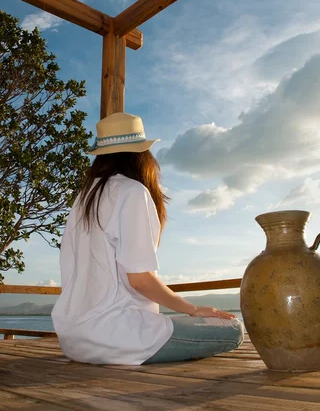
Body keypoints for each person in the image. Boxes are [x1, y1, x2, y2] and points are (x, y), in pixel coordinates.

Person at [52, 112, 244, 365]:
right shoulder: (132, 191)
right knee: (234, 328)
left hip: (75, 341)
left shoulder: (84, 199)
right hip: (120, 338)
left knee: (184, 323)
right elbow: (140, 280)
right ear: (141, 155)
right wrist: (193, 309)